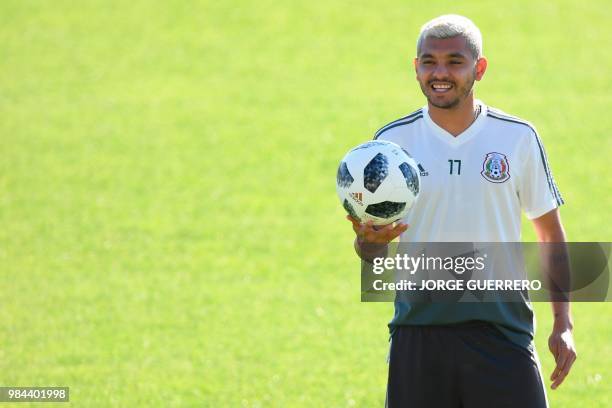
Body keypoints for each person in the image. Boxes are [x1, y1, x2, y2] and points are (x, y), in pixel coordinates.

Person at [346, 15, 577, 408]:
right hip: (419, 332)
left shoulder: (517, 137)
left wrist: (563, 324)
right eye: (429, 62)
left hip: (503, 333)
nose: (440, 73)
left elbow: (550, 235)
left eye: (455, 61)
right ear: (415, 68)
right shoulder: (391, 143)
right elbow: (373, 254)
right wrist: (368, 243)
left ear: (479, 68)